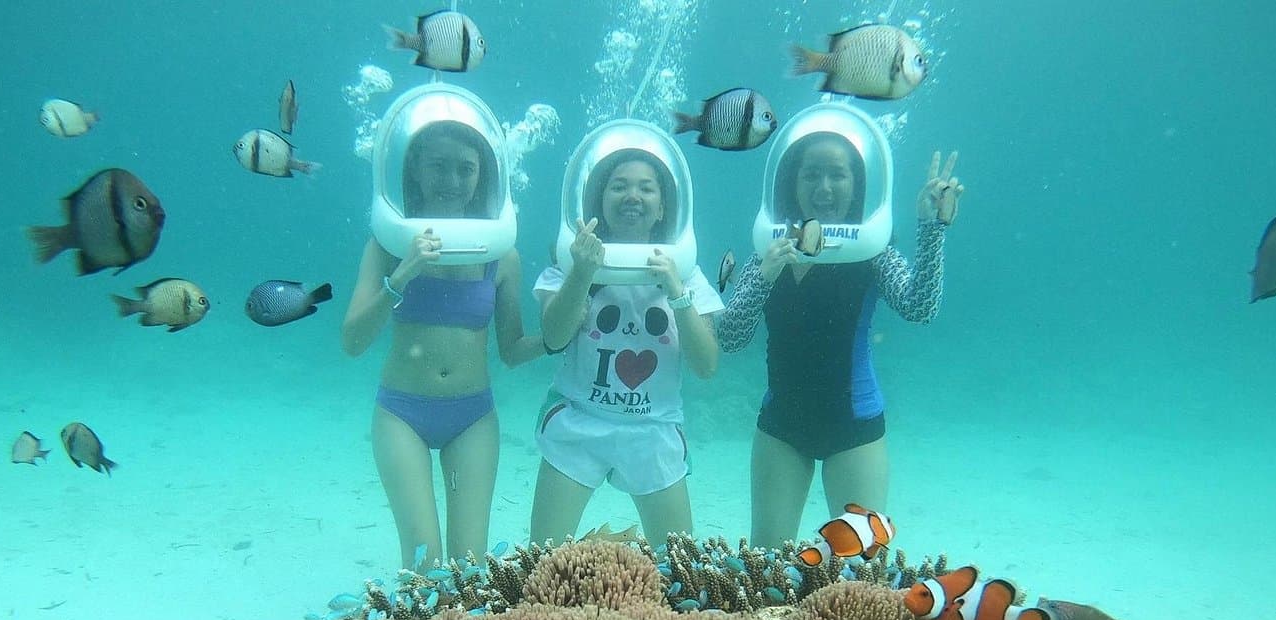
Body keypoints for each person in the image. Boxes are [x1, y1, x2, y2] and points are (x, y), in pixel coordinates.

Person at [717, 136, 964, 549]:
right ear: (791, 182)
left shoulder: (873, 251)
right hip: (782, 427)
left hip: (856, 429)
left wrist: (931, 228)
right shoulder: (769, 251)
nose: (824, 187)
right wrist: (765, 274)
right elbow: (729, 338)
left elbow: (919, 308)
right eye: (811, 174)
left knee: (863, 570)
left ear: (857, 183)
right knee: (765, 563)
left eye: (838, 174)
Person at [341, 121, 543, 568]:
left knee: (470, 564)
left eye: (466, 169)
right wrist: (400, 278)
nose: (452, 181)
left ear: (482, 175)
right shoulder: (387, 246)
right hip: (401, 414)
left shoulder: (501, 255)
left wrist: (559, 335)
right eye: (438, 166)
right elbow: (353, 340)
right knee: (424, 562)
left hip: (472, 416)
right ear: (414, 169)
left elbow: (511, 351)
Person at [530, 150, 722, 547]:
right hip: (578, 421)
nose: (632, 195)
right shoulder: (570, 265)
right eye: (619, 186)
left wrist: (677, 292)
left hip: (653, 429)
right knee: (543, 559)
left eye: (646, 188)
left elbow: (706, 365)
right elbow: (554, 336)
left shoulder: (687, 274)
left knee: (680, 568)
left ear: (663, 206)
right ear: (600, 200)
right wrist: (582, 271)